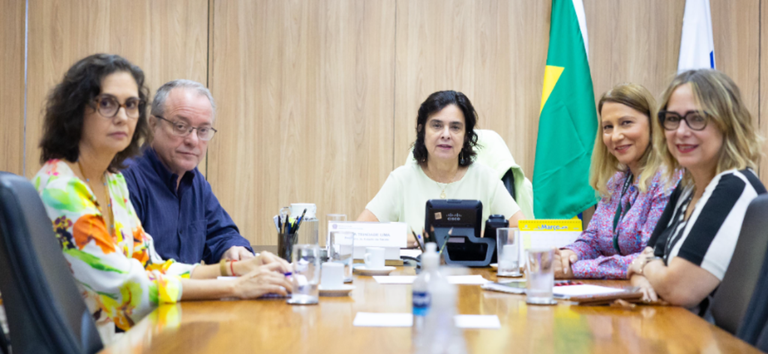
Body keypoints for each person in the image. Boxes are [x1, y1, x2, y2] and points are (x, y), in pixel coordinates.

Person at [33, 54, 291, 343]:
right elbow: (130, 290)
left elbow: (153, 264)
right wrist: (235, 285)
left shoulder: (112, 182)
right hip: (78, 343)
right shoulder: (61, 189)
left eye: (131, 105)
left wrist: (233, 267)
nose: (122, 116)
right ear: (76, 111)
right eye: (107, 103)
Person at [628, 69, 766, 317]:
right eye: (672, 119)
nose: (681, 131)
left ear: (728, 124)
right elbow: (642, 260)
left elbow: (679, 289)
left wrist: (646, 267)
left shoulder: (732, 186)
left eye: (697, 118)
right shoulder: (686, 188)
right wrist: (644, 273)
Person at [357, 90, 524, 242]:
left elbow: (525, 232)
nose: (445, 135)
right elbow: (360, 232)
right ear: (422, 131)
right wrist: (421, 239)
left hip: (475, 273)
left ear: (466, 136)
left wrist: (479, 235)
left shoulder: (487, 179)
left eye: (455, 127)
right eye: (436, 126)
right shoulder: (401, 179)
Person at [553, 83, 679, 279]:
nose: (616, 136)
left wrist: (575, 269)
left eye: (626, 123)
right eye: (607, 127)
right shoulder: (617, 181)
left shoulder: (668, 179)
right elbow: (593, 239)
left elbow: (650, 256)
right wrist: (569, 255)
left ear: (653, 125)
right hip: (617, 294)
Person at [123, 80, 253, 264]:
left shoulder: (194, 180)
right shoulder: (127, 178)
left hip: (191, 291)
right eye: (181, 126)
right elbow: (135, 268)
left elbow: (221, 233)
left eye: (203, 130)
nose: (193, 140)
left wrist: (234, 249)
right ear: (153, 125)